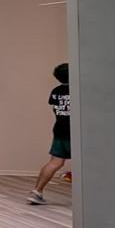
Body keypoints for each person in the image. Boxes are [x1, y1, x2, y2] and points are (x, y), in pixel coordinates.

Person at [28, 62, 70, 205]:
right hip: (76, 133)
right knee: (89, 164)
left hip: (59, 130)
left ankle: (37, 192)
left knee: (55, 162)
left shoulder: (56, 91)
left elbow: (54, 107)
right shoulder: (78, 90)